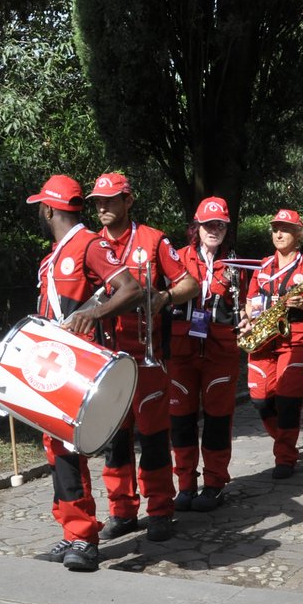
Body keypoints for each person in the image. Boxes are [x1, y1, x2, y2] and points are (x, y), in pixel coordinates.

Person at [25, 175, 142, 571]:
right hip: (54, 368)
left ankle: (84, 540)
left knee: (71, 452)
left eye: (40, 208)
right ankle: (73, 532)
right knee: (58, 452)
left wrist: (93, 314)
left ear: (47, 208)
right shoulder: (52, 257)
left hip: (80, 369)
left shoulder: (89, 245)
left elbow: (130, 288)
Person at [89, 172, 198, 543]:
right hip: (105, 362)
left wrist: (164, 298)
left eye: (110, 200)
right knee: (115, 439)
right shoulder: (90, 245)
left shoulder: (152, 240)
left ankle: (160, 510)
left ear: (128, 200)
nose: (103, 207)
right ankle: (121, 510)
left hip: (148, 360)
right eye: (98, 202)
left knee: (153, 437)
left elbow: (189, 283)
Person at [168, 196, 243, 512]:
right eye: (208, 224)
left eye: (220, 225)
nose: (214, 229)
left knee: (216, 421)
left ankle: (214, 484)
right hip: (181, 353)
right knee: (181, 421)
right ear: (196, 227)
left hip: (220, 354)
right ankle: (185, 485)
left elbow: (247, 305)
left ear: (226, 228)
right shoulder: (176, 258)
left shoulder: (237, 265)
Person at [245, 208, 303, 477]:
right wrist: (249, 318)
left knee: (287, 400)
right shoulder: (262, 267)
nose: (278, 233)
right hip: (263, 342)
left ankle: (285, 456)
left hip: (296, 340)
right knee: (260, 400)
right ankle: (285, 439)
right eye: (275, 229)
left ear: (298, 233)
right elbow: (249, 303)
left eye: (285, 228)